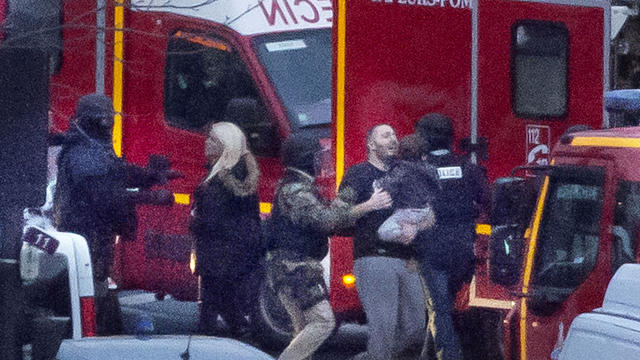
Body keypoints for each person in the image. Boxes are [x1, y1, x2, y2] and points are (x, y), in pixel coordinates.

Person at [54, 93, 176, 335]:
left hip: (96, 240)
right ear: (98, 122)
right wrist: (148, 197)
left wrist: (149, 176)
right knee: (90, 295)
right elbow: (105, 195)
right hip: (88, 239)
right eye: (107, 120)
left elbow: (117, 172)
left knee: (98, 291)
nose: (111, 124)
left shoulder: (92, 146)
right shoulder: (83, 154)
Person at [337, 124, 426, 360]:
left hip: (407, 260)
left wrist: (416, 226)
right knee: (383, 330)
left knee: (416, 328)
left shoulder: (405, 172)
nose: (393, 139)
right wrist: (370, 205)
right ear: (370, 144)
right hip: (374, 257)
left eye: (395, 134)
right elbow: (337, 216)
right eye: (386, 135)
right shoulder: (358, 174)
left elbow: (425, 210)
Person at [263, 133, 349, 360]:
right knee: (323, 321)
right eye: (317, 157)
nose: (321, 162)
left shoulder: (295, 186)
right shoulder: (296, 190)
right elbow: (326, 221)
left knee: (302, 329)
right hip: (295, 267)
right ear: (304, 159)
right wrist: (346, 201)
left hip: (288, 266)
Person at [413, 113, 490, 360]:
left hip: (431, 249)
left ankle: (450, 355)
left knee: (440, 310)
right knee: (442, 307)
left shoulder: (417, 172)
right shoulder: (469, 168)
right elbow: (488, 202)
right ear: (450, 138)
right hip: (463, 250)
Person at [189, 121, 261, 338]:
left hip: (218, 256)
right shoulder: (242, 175)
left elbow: (213, 219)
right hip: (234, 254)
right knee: (225, 306)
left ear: (224, 146)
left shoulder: (219, 181)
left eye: (212, 139)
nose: (206, 142)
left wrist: (194, 221)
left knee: (213, 309)